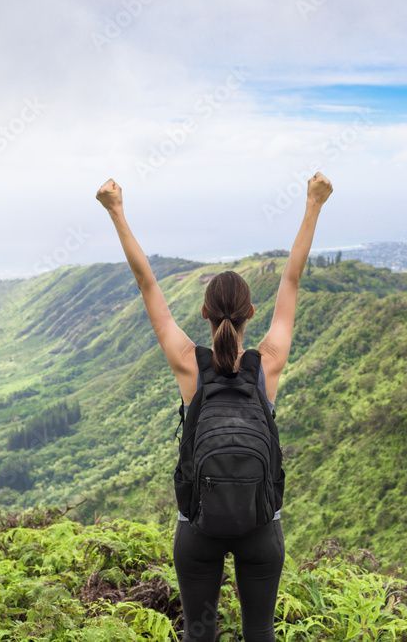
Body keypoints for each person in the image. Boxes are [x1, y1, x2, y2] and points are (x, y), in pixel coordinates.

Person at [96, 171, 333, 641]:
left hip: (198, 526)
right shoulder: (268, 365)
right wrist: (314, 204)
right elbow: (292, 276)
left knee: (198, 636)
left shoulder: (189, 366)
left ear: (205, 314)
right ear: (249, 315)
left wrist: (116, 211)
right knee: (260, 634)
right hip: (261, 526)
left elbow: (147, 284)